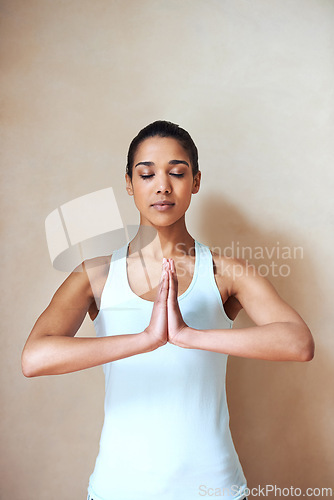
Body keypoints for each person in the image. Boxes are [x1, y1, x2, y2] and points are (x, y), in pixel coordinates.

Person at [22, 120, 314, 500]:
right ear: (129, 183)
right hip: (117, 488)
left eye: (177, 172)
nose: (162, 185)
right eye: (147, 174)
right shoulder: (95, 275)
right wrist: (145, 339)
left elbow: (299, 343)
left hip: (215, 489)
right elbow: (34, 358)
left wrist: (189, 336)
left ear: (195, 181)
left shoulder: (225, 272)